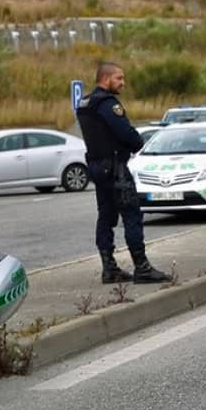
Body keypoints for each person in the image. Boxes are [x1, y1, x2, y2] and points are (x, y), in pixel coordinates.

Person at [76, 62, 171, 284]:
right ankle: (142, 267)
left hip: (98, 168)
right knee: (131, 215)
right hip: (116, 169)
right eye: (119, 78)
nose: (122, 83)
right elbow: (126, 134)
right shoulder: (108, 104)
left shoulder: (85, 103)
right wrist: (136, 142)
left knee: (106, 217)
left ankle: (109, 267)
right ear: (106, 78)